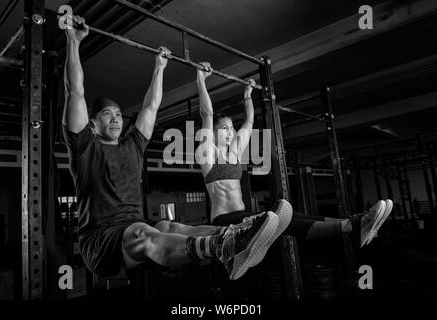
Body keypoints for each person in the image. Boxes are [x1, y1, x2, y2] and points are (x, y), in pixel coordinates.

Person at [61, 16, 293, 281]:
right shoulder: (84, 146)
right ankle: (222, 247)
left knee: (172, 226)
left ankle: (238, 236)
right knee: (143, 233)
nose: (115, 118)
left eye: (117, 113)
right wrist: (73, 40)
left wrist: (159, 67)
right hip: (102, 242)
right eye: (106, 114)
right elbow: (75, 92)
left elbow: (151, 106)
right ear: (91, 124)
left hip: (134, 227)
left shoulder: (133, 144)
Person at [196, 61, 393, 248]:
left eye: (231, 128)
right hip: (223, 220)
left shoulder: (235, 152)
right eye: (224, 128)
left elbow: (248, 122)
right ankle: (352, 226)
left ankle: (352, 225)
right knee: (278, 218)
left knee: (289, 216)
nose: (230, 132)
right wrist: (201, 79)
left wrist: (247, 95)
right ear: (212, 133)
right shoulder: (208, 154)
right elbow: (207, 114)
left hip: (242, 214)